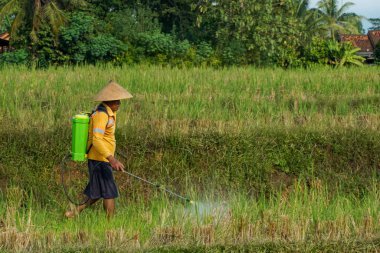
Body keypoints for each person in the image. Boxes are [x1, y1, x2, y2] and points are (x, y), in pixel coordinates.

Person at [65, 80, 133, 218]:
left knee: (97, 192)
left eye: (119, 100)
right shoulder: (102, 115)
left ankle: (73, 213)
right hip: (100, 159)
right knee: (109, 191)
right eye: (116, 100)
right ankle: (110, 225)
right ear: (108, 101)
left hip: (101, 158)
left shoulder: (109, 113)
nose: (119, 103)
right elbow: (97, 140)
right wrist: (112, 159)